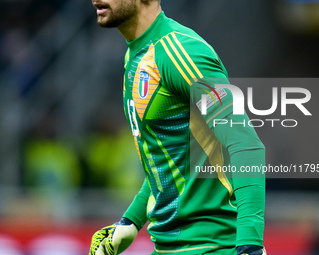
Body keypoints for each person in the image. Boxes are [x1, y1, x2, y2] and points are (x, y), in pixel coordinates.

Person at [89, 0, 266, 255]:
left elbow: (245, 145)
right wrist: (131, 220)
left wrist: (251, 244)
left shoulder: (181, 51)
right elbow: (169, 160)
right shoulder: (135, 55)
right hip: (167, 246)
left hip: (211, 247)